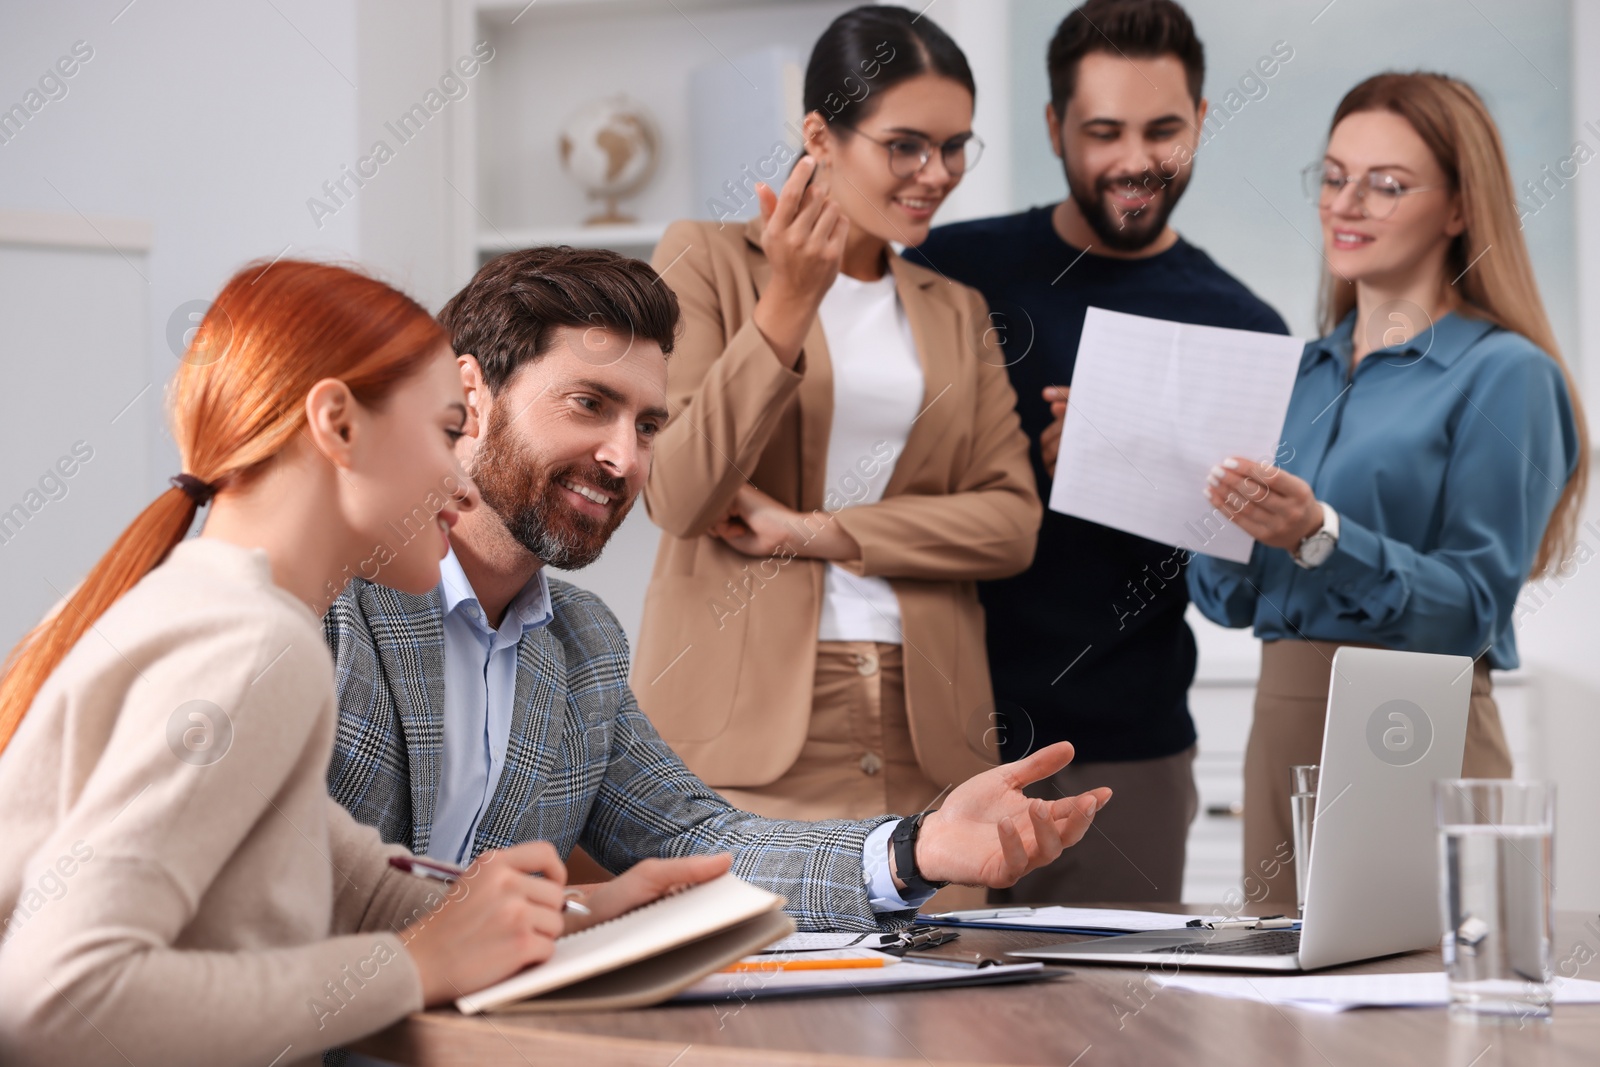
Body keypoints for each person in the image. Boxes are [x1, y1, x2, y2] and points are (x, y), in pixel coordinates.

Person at [0, 261, 728, 1067]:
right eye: (447, 432)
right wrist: (414, 967)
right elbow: (58, 996)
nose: (461, 477)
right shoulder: (251, 647)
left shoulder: (223, 611)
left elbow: (360, 886)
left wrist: (579, 913)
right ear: (339, 426)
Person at [324, 244, 1112, 932]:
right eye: (590, 404)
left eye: (647, 426)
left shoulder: (580, 642)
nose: (623, 459)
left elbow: (697, 838)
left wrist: (916, 847)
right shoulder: (331, 603)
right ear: (473, 395)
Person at [631, 8, 1042, 904]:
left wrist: (821, 532)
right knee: (766, 1019)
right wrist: (786, 304)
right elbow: (679, 492)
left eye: (955, 146)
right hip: (753, 725)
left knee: (948, 1023)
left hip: (928, 723)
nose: (937, 175)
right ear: (820, 135)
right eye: (906, 146)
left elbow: (1011, 524)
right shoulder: (703, 260)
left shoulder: (956, 309)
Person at [906, 0, 1288, 904]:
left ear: (1199, 120)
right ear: (1054, 128)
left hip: (1123, 753)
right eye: (1102, 131)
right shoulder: (952, 270)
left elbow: (1244, 580)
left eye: (1162, 129)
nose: (1132, 161)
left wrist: (1129, 464)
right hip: (929, 732)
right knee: (919, 1038)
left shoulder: (1244, 329)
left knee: (1118, 1035)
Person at [1188, 72, 1587, 903]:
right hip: (1283, 721)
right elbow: (1228, 599)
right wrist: (1193, 495)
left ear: (1458, 208)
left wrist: (1317, 532)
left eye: (1387, 184)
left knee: (1429, 1012)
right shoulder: (1294, 375)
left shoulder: (1506, 373)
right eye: (1334, 178)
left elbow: (1473, 606)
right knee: (1279, 1020)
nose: (1347, 203)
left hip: (1416, 725)